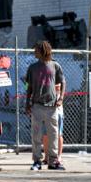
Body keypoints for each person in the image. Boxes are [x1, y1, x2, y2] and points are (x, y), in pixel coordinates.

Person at [24, 41, 65, 171]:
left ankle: (53, 162)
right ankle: (37, 161)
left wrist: (61, 99)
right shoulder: (32, 67)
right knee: (36, 135)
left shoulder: (55, 66)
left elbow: (63, 81)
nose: (34, 52)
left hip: (52, 106)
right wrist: (27, 103)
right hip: (37, 105)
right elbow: (29, 87)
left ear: (43, 51)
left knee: (53, 135)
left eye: (36, 50)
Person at [42, 84, 64, 164]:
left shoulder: (58, 76)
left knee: (58, 135)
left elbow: (59, 87)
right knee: (45, 135)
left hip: (57, 112)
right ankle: (46, 157)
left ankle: (58, 156)